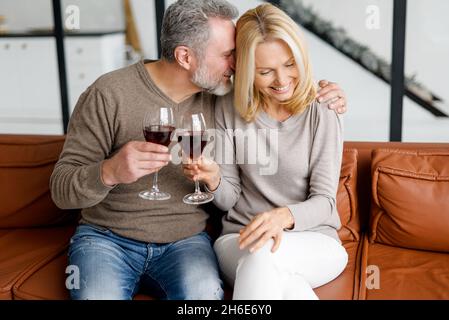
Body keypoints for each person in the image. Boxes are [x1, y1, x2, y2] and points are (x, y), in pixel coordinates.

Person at [50, 0, 346, 300]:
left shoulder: (218, 98)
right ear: (185, 56)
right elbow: (61, 189)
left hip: (184, 242)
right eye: (229, 55)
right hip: (106, 239)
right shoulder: (109, 94)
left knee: (216, 289)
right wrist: (110, 171)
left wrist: (328, 94)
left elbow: (280, 80)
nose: (236, 66)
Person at [183, 3, 348, 300]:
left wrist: (280, 218)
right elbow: (228, 198)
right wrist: (214, 178)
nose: (282, 81)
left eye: (290, 64)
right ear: (247, 70)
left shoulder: (322, 109)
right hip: (240, 240)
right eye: (266, 72)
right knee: (279, 276)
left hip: (314, 243)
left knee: (264, 257)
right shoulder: (228, 108)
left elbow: (324, 202)